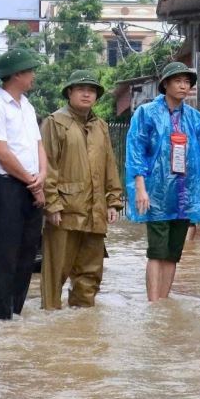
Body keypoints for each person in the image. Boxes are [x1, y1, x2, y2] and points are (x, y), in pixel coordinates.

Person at [125, 61, 200, 302]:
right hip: (156, 193)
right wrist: (140, 188)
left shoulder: (194, 118)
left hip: (184, 195)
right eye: (178, 81)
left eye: (187, 82)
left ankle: (163, 301)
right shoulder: (147, 113)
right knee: (157, 251)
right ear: (166, 84)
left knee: (173, 253)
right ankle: (153, 302)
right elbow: (135, 151)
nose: (183, 86)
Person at [39, 70, 123, 309]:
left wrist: (113, 201)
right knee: (56, 273)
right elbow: (47, 165)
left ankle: (82, 328)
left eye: (92, 90)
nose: (87, 94)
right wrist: (52, 204)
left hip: (95, 212)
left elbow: (109, 164)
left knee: (90, 274)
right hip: (64, 211)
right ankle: (51, 326)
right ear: (69, 93)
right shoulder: (55, 122)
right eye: (81, 89)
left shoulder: (101, 127)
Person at [0, 47, 46, 321]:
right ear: (16, 74)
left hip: (31, 187)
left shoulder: (27, 106)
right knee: (6, 254)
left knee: (28, 254)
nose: (33, 76)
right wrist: (33, 181)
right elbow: (2, 152)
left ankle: (16, 313)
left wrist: (42, 175)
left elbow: (38, 144)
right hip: (7, 187)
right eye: (30, 71)